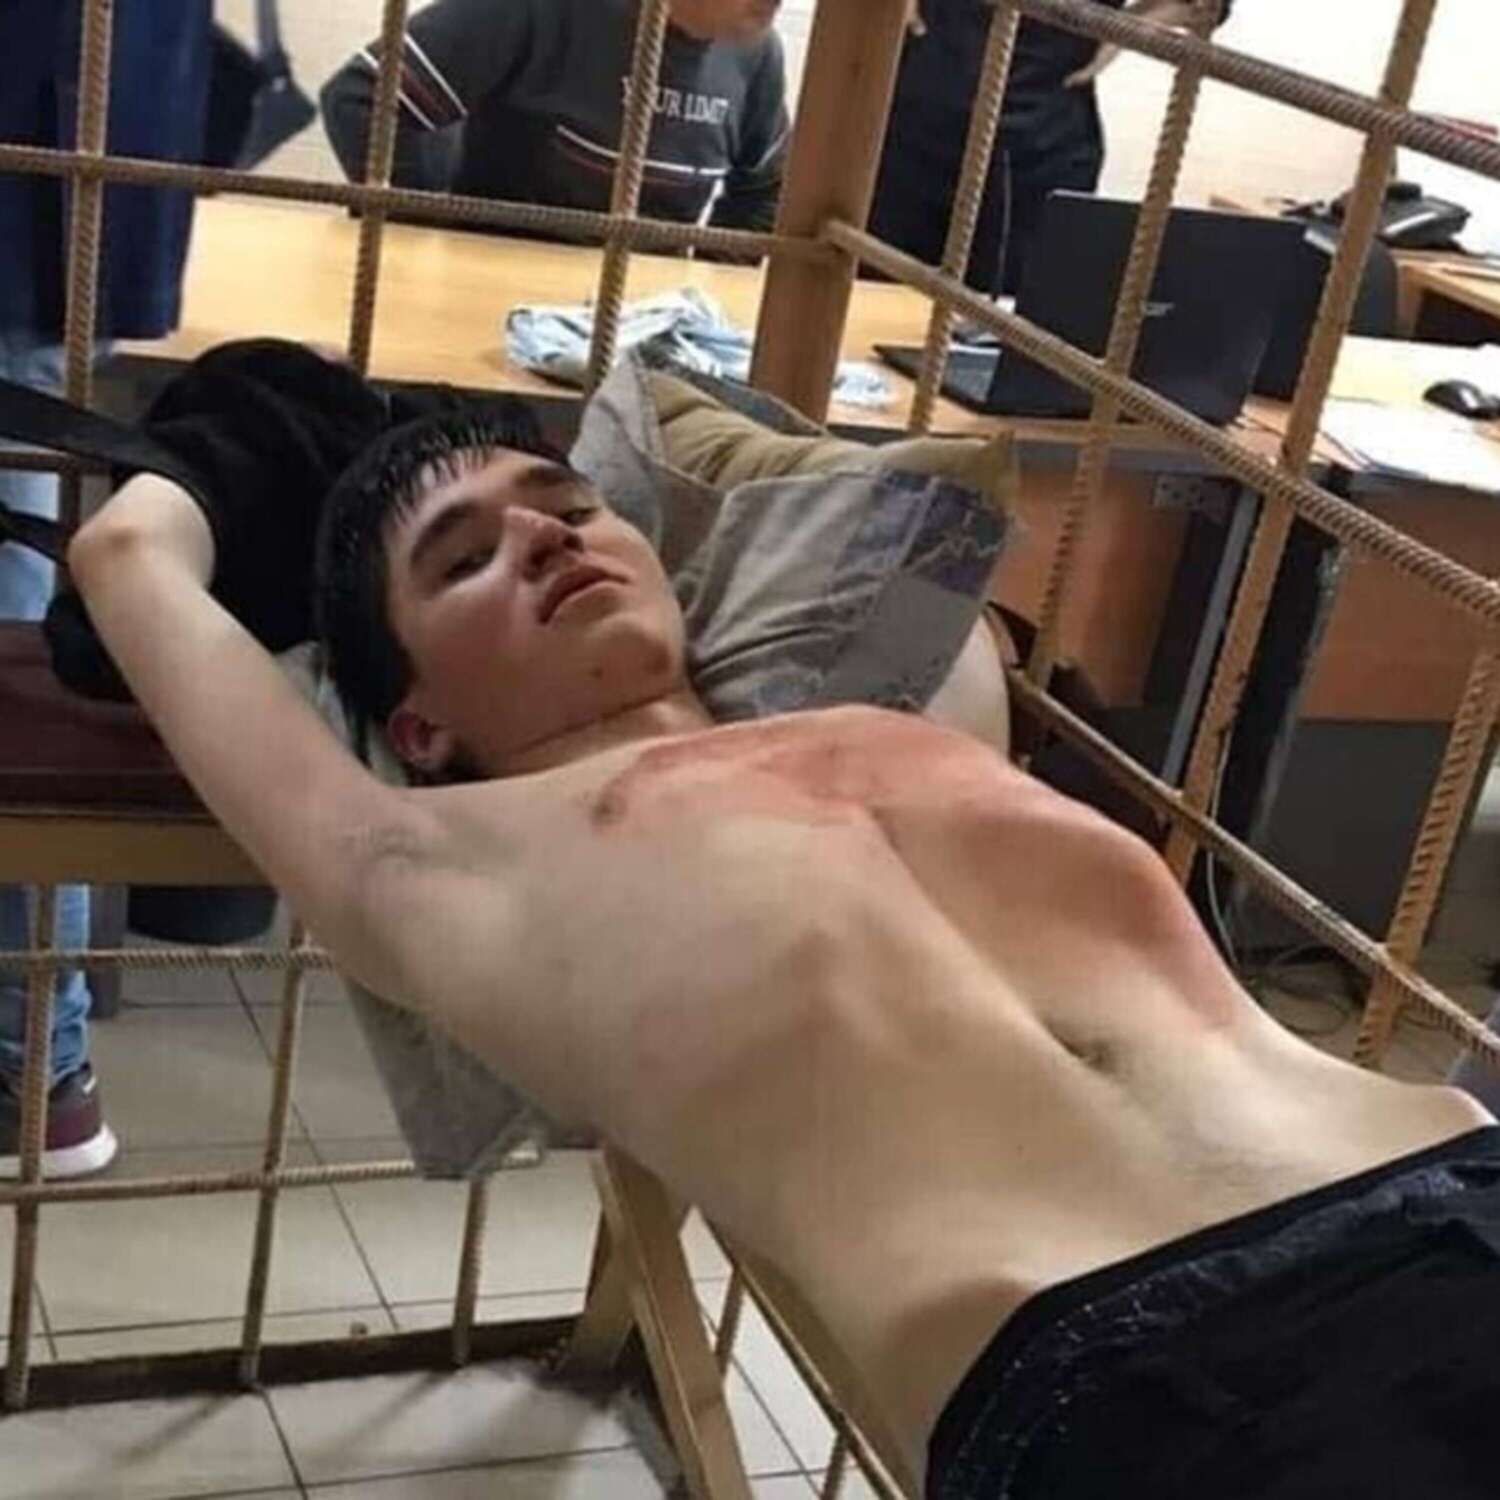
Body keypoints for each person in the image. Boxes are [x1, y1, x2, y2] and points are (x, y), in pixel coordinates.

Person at [67, 382, 1498, 1496]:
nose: (546, 536)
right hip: (1157, 1377)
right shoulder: (434, 865)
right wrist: (274, 428)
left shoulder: (914, 712)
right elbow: (128, 553)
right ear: (418, 724)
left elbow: (864, 483)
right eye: (464, 559)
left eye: (569, 505)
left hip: (1446, 1185)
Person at [0, 0, 212, 1178]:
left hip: (30, 204)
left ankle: (33, 1070)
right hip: (75, 195)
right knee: (18, 641)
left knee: (10, 660)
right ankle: (38, 1063)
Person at [320, 0, 790, 235]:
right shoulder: (546, 8)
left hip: (641, 336)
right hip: (493, 317)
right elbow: (361, 96)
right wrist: (423, 244)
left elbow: (769, 189)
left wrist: (707, 295)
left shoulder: (757, 53)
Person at [873, 1, 1236, 296]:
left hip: (1041, 141)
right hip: (911, 119)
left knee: (1003, 335)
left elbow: (1203, 5)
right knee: (867, 305)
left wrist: (1127, 29)